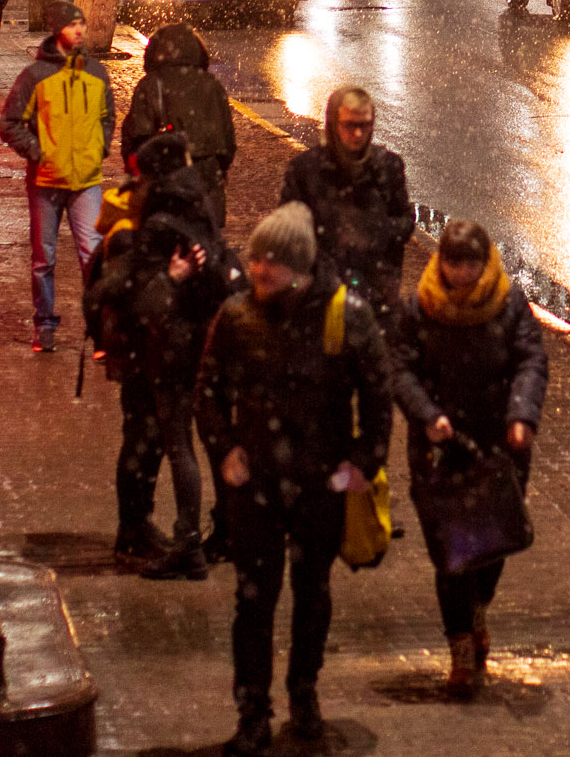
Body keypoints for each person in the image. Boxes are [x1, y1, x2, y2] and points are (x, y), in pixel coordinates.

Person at [198, 203, 393, 755]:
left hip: (317, 488)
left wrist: (362, 463)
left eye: (271, 262)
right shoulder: (236, 316)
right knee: (253, 601)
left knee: (312, 593)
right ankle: (252, 712)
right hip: (256, 486)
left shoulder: (345, 316)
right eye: (255, 258)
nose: (258, 270)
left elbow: (378, 396)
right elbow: (207, 392)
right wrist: (225, 450)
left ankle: (304, 693)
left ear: (301, 267)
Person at [387, 219, 547, 698]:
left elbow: (530, 360)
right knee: (451, 552)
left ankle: (478, 607)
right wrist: (428, 415)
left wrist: (521, 415)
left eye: (470, 264)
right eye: (453, 262)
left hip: (498, 446)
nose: (461, 274)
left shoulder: (508, 303)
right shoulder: (421, 308)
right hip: (441, 450)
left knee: (494, 542)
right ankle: (460, 645)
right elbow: (401, 367)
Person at [87, 130, 236, 580]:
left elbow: (137, 298)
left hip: (163, 349)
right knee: (204, 442)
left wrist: (169, 279)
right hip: (204, 347)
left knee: (168, 444)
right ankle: (212, 532)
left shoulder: (151, 226)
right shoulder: (201, 211)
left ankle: (178, 540)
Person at [0, 0, 114, 353]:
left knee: (92, 257)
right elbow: (9, 124)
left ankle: (98, 330)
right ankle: (44, 326)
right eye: (72, 24)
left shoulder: (96, 73)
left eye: (81, 23)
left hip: (86, 181)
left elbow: (107, 117)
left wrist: (99, 148)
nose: (79, 30)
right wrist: (39, 152)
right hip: (45, 181)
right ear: (57, 30)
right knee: (43, 258)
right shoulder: (35, 76)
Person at [279, 86, 412, 320]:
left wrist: (376, 234)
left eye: (364, 125)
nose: (358, 134)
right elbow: (289, 227)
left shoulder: (388, 168)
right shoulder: (306, 170)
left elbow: (404, 219)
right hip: (320, 293)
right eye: (350, 125)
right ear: (334, 124)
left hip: (376, 291)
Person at [122, 21, 237, 230]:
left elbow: (136, 135)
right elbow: (227, 141)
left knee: (165, 248)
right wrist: (217, 170)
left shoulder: (150, 84)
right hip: (206, 179)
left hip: (164, 182)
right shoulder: (212, 85)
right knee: (201, 249)